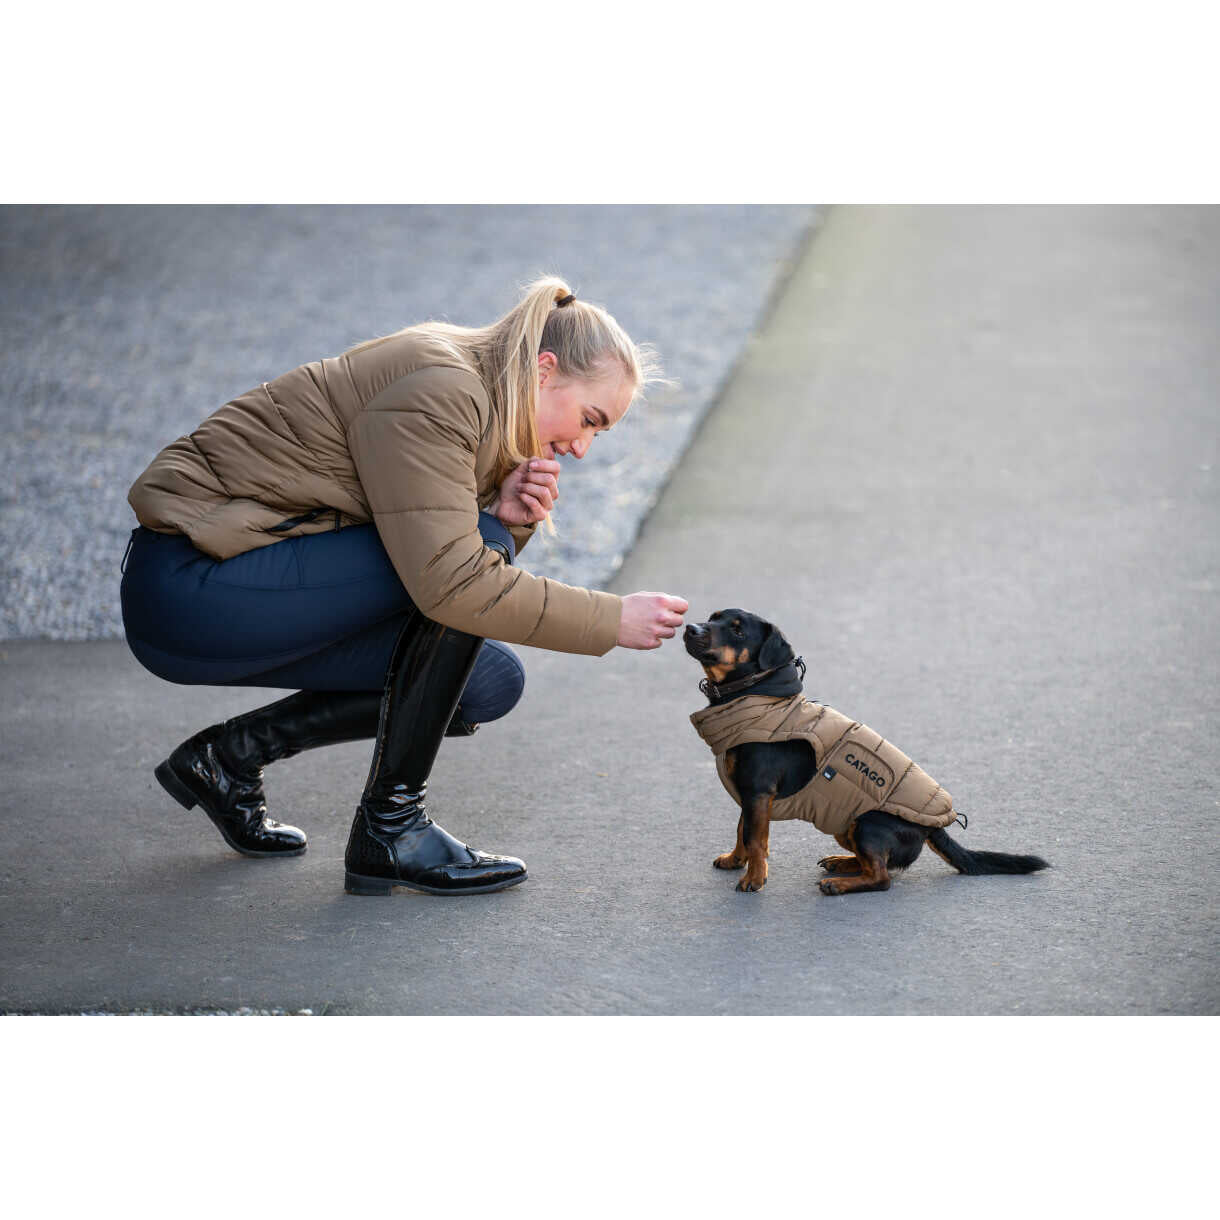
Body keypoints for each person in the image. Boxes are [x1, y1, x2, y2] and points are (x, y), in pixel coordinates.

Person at [121, 277, 688, 897]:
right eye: (589, 420)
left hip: (249, 580)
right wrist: (611, 618)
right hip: (190, 586)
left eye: (597, 435)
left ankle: (227, 759)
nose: (581, 448)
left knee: (484, 682)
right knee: (469, 566)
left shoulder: (481, 395)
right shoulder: (440, 388)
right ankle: (392, 829)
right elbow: (454, 582)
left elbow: (441, 554)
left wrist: (502, 522)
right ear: (545, 371)